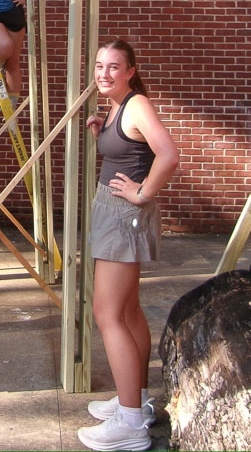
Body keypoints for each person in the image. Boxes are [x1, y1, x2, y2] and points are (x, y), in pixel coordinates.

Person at [78, 39, 179, 452]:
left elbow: (168, 154)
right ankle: (132, 399)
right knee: (128, 309)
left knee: (107, 314)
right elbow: (131, 147)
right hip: (112, 211)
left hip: (123, 215)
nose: (104, 73)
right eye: (100, 66)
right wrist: (104, 133)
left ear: (130, 70)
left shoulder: (136, 104)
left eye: (114, 67)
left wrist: (143, 193)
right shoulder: (118, 107)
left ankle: (131, 425)